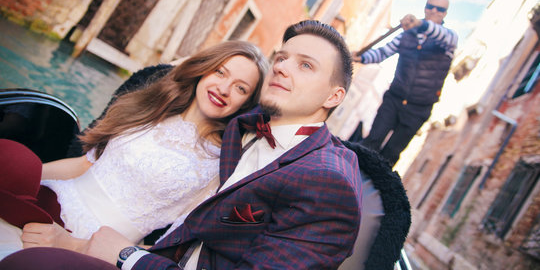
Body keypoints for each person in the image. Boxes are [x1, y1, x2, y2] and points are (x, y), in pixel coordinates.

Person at [0, 20, 364, 270]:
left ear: (335, 95)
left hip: (128, 253)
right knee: (13, 160)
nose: (282, 68)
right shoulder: (246, 128)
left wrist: (124, 255)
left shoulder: (328, 182)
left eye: (305, 65)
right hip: (114, 234)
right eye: (282, 58)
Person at [0, 40, 268, 258]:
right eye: (220, 72)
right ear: (203, 70)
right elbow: (84, 164)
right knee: (14, 161)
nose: (223, 88)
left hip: (92, 246)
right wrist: (27, 180)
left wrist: (76, 246)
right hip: (54, 200)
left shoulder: (219, 164)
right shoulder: (154, 106)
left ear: (245, 104)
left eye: (240, 88)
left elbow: (171, 247)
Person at [352, 0, 458, 167]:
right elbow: (381, 53)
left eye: (439, 9)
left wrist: (419, 23)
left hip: (419, 108)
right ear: (425, 7)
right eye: (430, 6)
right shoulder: (405, 36)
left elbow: (435, 31)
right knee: (371, 142)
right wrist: (360, 58)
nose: (433, 11)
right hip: (394, 99)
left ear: (445, 14)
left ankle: (371, 191)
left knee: (391, 153)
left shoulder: (448, 39)